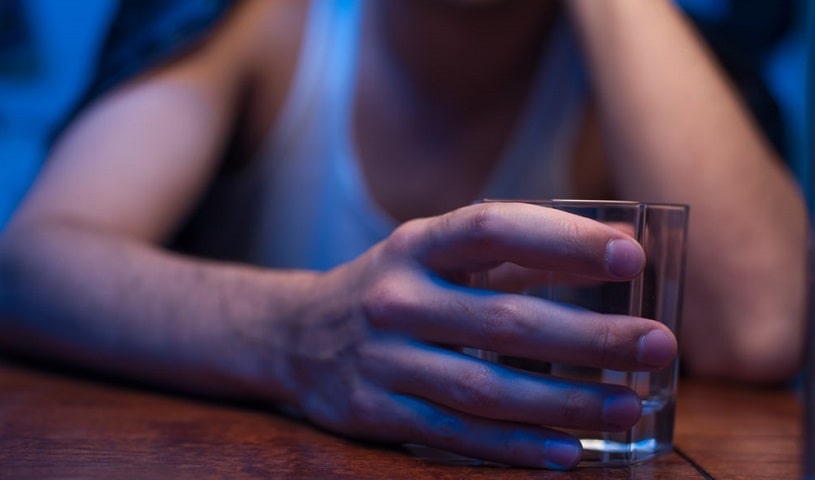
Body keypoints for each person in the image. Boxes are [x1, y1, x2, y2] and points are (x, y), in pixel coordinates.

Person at [0, 0, 808, 470]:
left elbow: (757, 326)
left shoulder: (625, 86)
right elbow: (30, 266)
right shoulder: (267, 26)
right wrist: (293, 334)